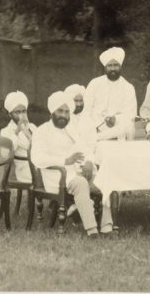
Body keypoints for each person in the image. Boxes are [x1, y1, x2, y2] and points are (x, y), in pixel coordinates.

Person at [30, 91, 113, 236]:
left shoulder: (71, 130)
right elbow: (37, 158)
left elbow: (85, 149)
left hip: (76, 173)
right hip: (55, 175)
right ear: (52, 112)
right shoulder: (42, 131)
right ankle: (92, 230)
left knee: (105, 180)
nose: (63, 115)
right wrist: (64, 161)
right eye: (60, 111)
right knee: (80, 183)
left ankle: (107, 227)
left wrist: (88, 161)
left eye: (67, 112)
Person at [84, 47, 137, 141]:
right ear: (105, 67)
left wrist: (116, 119)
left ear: (120, 66)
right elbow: (86, 108)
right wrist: (93, 125)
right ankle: (96, 137)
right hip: (96, 126)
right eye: (110, 65)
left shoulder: (128, 87)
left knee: (128, 125)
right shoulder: (95, 83)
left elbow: (130, 114)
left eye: (116, 65)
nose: (113, 68)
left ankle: (97, 138)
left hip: (118, 128)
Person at [0, 91, 36, 183]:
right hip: (26, 169)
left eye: (24, 111)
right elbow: (4, 154)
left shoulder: (33, 127)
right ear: (10, 114)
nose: (22, 115)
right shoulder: (6, 131)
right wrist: (17, 132)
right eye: (17, 112)